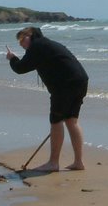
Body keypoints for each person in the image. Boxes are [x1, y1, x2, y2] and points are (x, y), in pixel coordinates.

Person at [5, 26, 89, 172]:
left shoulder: (37, 46)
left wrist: (12, 58)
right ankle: (78, 162)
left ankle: (53, 163)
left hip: (65, 85)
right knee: (71, 120)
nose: (21, 44)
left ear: (30, 35)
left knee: (56, 121)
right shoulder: (46, 44)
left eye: (22, 39)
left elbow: (20, 68)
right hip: (80, 80)